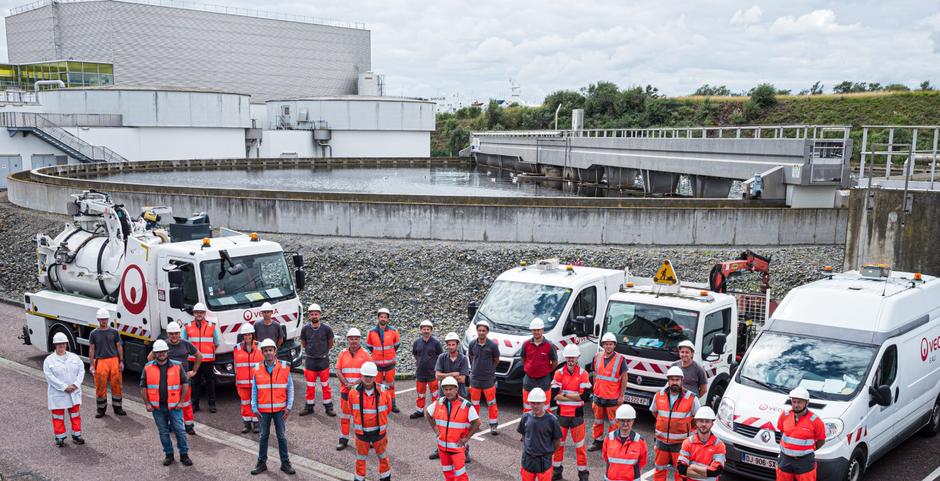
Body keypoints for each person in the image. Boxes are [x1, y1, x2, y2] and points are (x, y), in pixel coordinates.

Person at [140, 340, 192, 466]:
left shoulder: (177, 366)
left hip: (174, 406)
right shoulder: (148, 367)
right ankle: (169, 455)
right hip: (157, 407)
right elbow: (143, 387)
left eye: (163, 351)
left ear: (167, 352)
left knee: (180, 431)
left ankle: (184, 455)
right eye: (159, 352)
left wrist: (181, 401)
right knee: (163, 432)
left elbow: (185, 384)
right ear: (155, 353)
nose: (162, 354)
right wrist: (147, 404)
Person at [250, 338, 295, 475]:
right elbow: (254, 389)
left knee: (281, 436)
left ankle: (285, 463)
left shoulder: (284, 367)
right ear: (262, 352)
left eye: (270, 350)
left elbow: (290, 388)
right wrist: (254, 407)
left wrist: (289, 406)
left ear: (275, 351)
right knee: (263, 436)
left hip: (280, 410)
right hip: (263, 411)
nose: (268, 353)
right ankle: (261, 463)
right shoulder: (257, 369)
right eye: (265, 350)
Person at [149, 322, 201, 434]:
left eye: (176, 333)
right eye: (171, 334)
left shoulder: (186, 344)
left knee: (186, 403)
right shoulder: (163, 345)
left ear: (179, 333)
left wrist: (194, 371)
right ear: (167, 334)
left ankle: (189, 426)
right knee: (171, 404)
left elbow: (199, 355)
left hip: (184, 380)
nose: (174, 336)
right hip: (170, 381)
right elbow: (150, 358)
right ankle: (173, 425)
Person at [425, 376, 481, 481]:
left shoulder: (466, 405)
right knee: (448, 473)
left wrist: (466, 438)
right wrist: (435, 429)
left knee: (461, 476)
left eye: (451, 389)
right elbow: (428, 413)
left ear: (456, 389)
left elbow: (477, 422)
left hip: (457, 449)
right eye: (446, 389)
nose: (448, 392)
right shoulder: (439, 402)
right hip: (442, 449)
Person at [650, 366, 700, 481]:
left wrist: (687, 428)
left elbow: (697, 419)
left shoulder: (691, 398)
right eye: (672, 380)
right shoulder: (659, 395)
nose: (674, 382)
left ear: (682, 381)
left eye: (677, 380)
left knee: (680, 472)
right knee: (659, 469)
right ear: (668, 381)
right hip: (661, 441)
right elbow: (654, 412)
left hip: (681, 443)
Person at [551, 344, 591, 481]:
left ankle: (583, 475)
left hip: (577, 416)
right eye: (568, 357)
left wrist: (565, 394)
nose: (570, 360)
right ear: (565, 357)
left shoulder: (584, 374)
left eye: (573, 357)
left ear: (578, 357)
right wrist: (575, 396)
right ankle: (556, 473)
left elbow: (585, 397)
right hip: (562, 415)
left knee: (580, 447)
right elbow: (554, 395)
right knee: (558, 446)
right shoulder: (559, 373)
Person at [349, 361, 392, 481]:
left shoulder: (384, 391)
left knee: (383, 457)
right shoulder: (353, 392)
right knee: (360, 458)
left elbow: (387, 409)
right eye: (366, 376)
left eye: (370, 376)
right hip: (362, 434)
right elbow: (351, 409)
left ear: (375, 376)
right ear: (361, 376)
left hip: (379, 433)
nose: (368, 379)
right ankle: (359, 478)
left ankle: (385, 478)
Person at [431, 331, 471, 461]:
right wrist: (454, 373)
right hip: (444, 396)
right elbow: (437, 376)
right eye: (449, 344)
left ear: (458, 345)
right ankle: (440, 448)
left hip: (460, 396)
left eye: (453, 344)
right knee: (442, 423)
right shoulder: (442, 357)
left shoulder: (463, 359)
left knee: (462, 426)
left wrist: (445, 375)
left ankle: (465, 450)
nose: (451, 347)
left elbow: (463, 379)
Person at [43, 332, 85, 447]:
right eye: (59, 344)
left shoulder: (74, 357)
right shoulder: (49, 360)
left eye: (63, 343)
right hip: (58, 393)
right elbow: (49, 377)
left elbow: (81, 371)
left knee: (75, 415)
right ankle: (60, 437)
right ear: (55, 345)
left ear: (66, 344)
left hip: (74, 391)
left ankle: (77, 435)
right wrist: (64, 387)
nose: (61, 346)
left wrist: (76, 385)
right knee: (58, 416)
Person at [589, 333, 628, 452]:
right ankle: (598, 441)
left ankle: (612, 444)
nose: (608, 346)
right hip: (599, 395)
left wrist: (622, 395)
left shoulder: (621, 359)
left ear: (614, 345)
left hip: (612, 397)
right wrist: (594, 390)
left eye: (610, 344)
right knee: (597, 421)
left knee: (614, 423)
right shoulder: (597, 356)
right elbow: (595, 374)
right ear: (603, 345)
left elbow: (624, 378)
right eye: (606, 344)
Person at [776, 387, 825, 481]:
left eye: (799, 402)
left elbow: (821, 440)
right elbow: (783, 432)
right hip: (785, 459)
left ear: (807, 403)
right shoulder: (785, 415)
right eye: (794, 402)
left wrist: (808, 450)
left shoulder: (815, 421)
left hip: (804, 461)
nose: (796, 405)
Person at [336, 327, 374, 451]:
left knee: (363, 417)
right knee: (345, 417)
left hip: (359, 391)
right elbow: (338, 370)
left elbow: (368, 374)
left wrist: (355, 384)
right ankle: (343, 439)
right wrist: (346, 383)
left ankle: (367, 439)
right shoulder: (342, 353)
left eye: (356, 339)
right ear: (348, 339)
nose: (354, 341)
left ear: (360, 339)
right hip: (345, 391)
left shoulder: (366, 355)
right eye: (351, 339)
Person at [181, 302, 221, 413]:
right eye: (197, 312)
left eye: (201, 312)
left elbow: (216, 343)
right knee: (195, 383)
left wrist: (209, 352)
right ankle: (195, 404)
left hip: (208, 360)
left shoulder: (211, 326)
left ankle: (212, 404)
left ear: (204, 313)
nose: (199, 314)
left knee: (210, 383)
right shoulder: (187, 326)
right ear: (193, 313)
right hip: (193, 360)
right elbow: (182, 342)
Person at [299, 303, 336, 417]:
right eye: (312, 314)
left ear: (320, 315)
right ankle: (309, 407)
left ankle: (328, 407)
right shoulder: (305, 329)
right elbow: (304, 343)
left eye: (316, 314)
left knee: (325, 385)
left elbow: (330, 344)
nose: (314, 316)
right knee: (310, 386)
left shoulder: (327, 329)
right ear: (309, 316)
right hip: (310, 361)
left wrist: (322, 352)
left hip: (323, 361)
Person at [517, 387, 562, 481]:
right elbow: (524, 436)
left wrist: (548, 453)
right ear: (529, 403)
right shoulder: (525, 417)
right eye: (533, 403)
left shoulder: (552, 420)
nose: (535, 406)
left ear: (544, 403)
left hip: (544, 462)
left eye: (538, 403)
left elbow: (557, 442)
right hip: (528, 460)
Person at [88, 307, 125, 418]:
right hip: (100, 361)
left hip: (114, 360)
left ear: (108, 319)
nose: (103, 321)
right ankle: (101, 409)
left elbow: (119, 346)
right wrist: (91, 364)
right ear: (98, 320)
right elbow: (91, 349)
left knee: (117, 385)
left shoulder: (114, 332)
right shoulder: (93, 333)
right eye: (101, 319)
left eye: (105, 319)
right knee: (100, 386)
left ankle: (118, 408)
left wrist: (121, 361)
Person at [366, 307, 402, 413]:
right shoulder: (371, 332)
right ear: (378, 318)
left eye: (385, 317)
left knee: (390, 385)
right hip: (377, 364)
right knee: (377, 385)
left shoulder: (394, 331)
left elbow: (396, 345)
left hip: (390, 363)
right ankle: (377, 403)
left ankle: (392, 405)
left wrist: (388, 355)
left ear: (388, 319)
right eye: (381, 317)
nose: (383, 319)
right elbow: (369, 346)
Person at [468, 320, 500, 435]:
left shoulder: (492, 346)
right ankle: (475, 424)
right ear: (477, 331)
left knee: (491, 403)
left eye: (483, 331)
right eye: (479, 330)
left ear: (487, 332)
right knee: (474, 403)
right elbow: (471, 357)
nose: (481, 332)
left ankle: (493, 425)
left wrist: (490, 370)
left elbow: (497, 360)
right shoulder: (472, 344)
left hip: (488, 380)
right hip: (475, 379)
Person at [677, 407, 727, 481]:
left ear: (712, 424)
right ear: (696, 422)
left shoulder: (719, 445)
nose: (704, 424)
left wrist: (693, 466)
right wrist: (707, 474)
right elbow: (681, 469)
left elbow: (716, 471)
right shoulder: (687, 442)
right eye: (701, 421)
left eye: (707, 421)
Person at [602, 404, 648, 481]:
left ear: (633, 421)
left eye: (628, 420)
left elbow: (642, 461)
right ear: (617, 420)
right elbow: (605, 457)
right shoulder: (609, 438)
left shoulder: (640, 441)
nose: (625, 424)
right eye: (622, 420)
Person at [521, 318, 557, 414]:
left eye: (538, 330)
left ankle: (546, 427)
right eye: (534, 330)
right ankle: (527, 425)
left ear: (542, 330)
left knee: (545, 406)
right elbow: (523, 359)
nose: (536, 332)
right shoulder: (526, 344)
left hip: (544, 379)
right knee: (527, 406)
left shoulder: (549, 345)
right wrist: (529, 368)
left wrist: (545, 371)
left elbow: (554, 362)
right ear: (531, 331)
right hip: (529, 379)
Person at [410, 320, 443, 419]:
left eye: (428, 329)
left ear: (431, 330)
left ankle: (435, 411)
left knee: (435, 394)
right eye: (424, 329)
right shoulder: (417, 342)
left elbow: (440, 356)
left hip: (432, 373)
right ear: (420, 330)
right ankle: (419, 411)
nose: (426, 331)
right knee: (420, 394)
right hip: (420, 373)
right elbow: (415, 354)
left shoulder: (436, 343)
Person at [234, 323, 263, 434]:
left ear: (252, 335)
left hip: (257, 382)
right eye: (245, 335)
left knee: (255, 403)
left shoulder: (261, 347)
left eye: (249, 334)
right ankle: (246, 424)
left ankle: (256, 423)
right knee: (245, 403)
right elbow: (236, 365)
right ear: (243, 336)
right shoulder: (236, 348)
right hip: (242, 383)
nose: (247, 337)